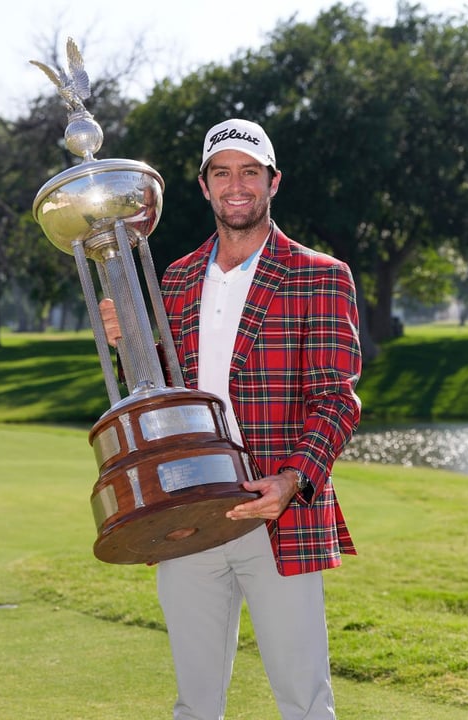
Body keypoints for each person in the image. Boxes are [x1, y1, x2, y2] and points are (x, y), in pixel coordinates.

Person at [101, 117, 361, 719]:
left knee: (303, 702)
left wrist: (292, 480)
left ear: (274, 182)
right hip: (192, 512)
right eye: (222, 173)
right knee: (195, 705)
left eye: (250, 172)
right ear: (204, 185)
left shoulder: (321, 276)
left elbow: (336, 399)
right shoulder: (179, 277)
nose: (236, 185)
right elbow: (168, 392)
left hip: (278, 511)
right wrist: (129, 343)